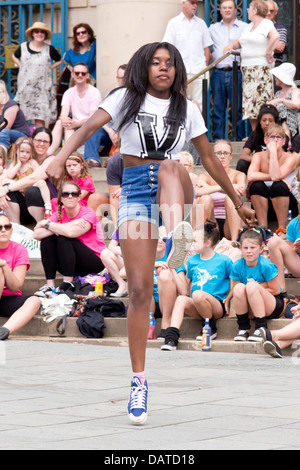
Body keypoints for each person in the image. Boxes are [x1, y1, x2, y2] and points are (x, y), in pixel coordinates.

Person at [44, 42, 254, 425]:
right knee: (140, 292)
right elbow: (89, 126)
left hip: (176, 187)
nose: (164, 69)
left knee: (173, 167)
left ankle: (176, 238)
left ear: (177, 70)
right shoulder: (126, 97)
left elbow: (207, 158)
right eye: (156, 63)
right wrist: (59, 156)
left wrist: (236, 198)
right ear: (144, 66)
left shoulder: (186, 109)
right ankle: (138, 381)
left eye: (170, 63)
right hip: (137, 188)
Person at [161, 219, 232, 351]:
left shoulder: (224, 260)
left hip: (215, 305)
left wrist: (229, 298)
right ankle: (171, 337)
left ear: (207, 243)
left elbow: (234, 280)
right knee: (181, 299)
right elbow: (185, 289)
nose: (191, 244)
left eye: (194, 241)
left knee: (198, 295)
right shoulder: (193, 261)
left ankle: (211, 326)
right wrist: (171, 268)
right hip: (197, 303)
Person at [33, 181, 105, 297]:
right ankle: (50, 286)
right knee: (47, 240)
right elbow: (37, 234)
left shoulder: (88, 213)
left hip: (94, 262)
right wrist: (47, 223)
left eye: (74, 194)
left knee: (63, 237)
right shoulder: (58, 214)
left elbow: (71, 233)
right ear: (61, 198)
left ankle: (67, 284)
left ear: (79, 197)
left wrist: (46, 224)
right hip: (70, 263)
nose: (70, 196)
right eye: (66, 194)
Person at [224, 0, 280, 130]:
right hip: (248, 70)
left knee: (261, 101)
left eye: (249, 9)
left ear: (255, 10)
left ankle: (266, 132)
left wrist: (268, 53)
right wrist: (231, 45)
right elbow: (240, 42)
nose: (247, 11)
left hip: (260, 70)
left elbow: (275, 36)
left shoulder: (266, 23)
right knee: (250, 103)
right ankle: (255, 134)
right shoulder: (249, 26)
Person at [229, 227, 284, 342]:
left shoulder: (266, 265)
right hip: (251, 303)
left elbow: (276, 290)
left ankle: (261, 327)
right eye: (245, 248)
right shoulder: (236, 266)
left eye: (253, 247)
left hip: (272, 304)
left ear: (261, 249)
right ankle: (243, 328)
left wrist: (256, 290)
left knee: (251, 286)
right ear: (240, 248)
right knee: (238, 288)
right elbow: (238, 291)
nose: (248, 251)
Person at [48, 62, 103, 166]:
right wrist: (66, 120)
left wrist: (74, 124)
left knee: (69, 125)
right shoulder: (69, 92)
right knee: (61, 123)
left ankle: (68, 155)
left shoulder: (94, 92)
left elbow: (93, 119)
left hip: (88, 127)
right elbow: (63, 114)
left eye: (83, 73)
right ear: (73, 75)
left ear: (87, 75)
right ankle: (49, 154)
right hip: (74, 127)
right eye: (77, 73)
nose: (80, 76)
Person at [0, 127, 58, 224]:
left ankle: (44, 224)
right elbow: (4, 177)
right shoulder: (23, 160)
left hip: (41, 203)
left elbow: (33, 178)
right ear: (32, 140)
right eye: (38, 140)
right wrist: (2, 190)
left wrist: (8, 187)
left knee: (31, 190)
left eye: (45, 141)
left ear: (49, 144)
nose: (41, 144)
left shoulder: (50, 159)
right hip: (24, 206)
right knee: (6, 187)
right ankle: (16, 227)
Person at [247, 124, 298, 232]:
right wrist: (280, 178)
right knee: (256, 185)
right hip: (263, 204)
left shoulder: (290, 158)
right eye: (272, 137)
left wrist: (273, 152)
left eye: (278, 137)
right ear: (265, 140)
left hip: (287, 205)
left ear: (284, 141)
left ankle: (282, 229)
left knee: (278, 186)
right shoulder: (258, 156)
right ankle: (263, 229)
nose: (275, 140)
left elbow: (276, 176)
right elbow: (251, 176)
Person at [162, 0, 213, 109]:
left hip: (200, 71)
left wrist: (204, 66)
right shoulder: (174, 23)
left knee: (200, 106)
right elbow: (167, 48)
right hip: (181, 73)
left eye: (196, 3)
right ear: (183, 3)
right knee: (180, 105)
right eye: (192, 2)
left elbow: (206, 48)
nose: (195, 6)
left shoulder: (201, 23)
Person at [209, 0, 247, 141]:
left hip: (236, 73)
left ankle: (238, 139)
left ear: (235, 9)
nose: (227, 10)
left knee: (238, 109)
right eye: (224, 8)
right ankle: (217, 140)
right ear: (220, 10)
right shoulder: (212, 28)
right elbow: (206, 47)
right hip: (218, 72)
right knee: (218, 109)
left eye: (230, 7)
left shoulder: (244, 27)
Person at [194, 140, 246, 240]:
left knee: (230, 199)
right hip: (211, 221)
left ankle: (235, 242)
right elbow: (197, 192)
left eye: (225, 153)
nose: (222, 156)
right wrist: (223, 187)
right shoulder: (205, 176)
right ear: (213, 156)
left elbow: (240, 191)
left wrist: (208, 188)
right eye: (218, 153)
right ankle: (201, 238)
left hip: (231, 223)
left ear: (231, 156)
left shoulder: (238, 175)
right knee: (205, 199)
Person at [12, 22, 61, 127]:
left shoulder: (49, 49)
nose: (39, 34)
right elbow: (14, 56)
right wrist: (21, 65)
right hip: (25, 89)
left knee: (40, 118)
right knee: (22, 117)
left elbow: (59, 60)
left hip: (42, 90)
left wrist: (50, 67)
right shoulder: (23, 47)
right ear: (33, 34)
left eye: (42, 32)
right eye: (37, 32)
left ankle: (40, 139)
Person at [0, 214, 41, 341]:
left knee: (35, 301)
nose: (3, 230)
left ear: (11, 230)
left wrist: (4, 265)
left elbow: (15, 287)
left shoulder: (19, 249)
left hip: (9, 299)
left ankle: (4, 330)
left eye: (7, 227)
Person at [151, 226, 187, 342]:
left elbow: (184, 292)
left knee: (165, 274)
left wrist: (170, 267)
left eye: (165, 239)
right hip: (149, 302)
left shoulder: (174, 259)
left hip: (168, 303)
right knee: (137, 276)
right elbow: (124, 272)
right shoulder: (145, 256)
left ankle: (165, 325)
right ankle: (145, 327)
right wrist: (153, 265)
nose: (160, 241)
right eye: (157, 237)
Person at [236, 103, 288, 175]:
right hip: (259, 165)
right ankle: (241, 184)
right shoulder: (255, 134)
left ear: (275, 122)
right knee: (242, 163)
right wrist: (259, 160)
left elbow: (280, 157)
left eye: (270, 120)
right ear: (260, 121)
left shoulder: (281, 136)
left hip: (275, 166)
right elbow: (243, 155)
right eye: (264, 120)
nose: (267, 123)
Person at [268, 62, 300, 152]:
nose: (275, 78)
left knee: (283, 109)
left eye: (277, 76)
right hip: (278, 123)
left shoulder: (295, 90)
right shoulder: (278, 93)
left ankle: (287, 140)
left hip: (294, 122)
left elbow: (297, 104)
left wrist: (280, 100)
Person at [268, 207, 300, 295]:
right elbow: (291, 250)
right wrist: (296, 249)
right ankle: (281, 290)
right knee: (274, 241)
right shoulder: (294, 223)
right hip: (298, 264)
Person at [87, 151, 123, 228]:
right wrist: (117, 228)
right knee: (95, 198)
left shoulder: (147, 158)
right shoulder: (116, 161)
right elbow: (114, 197)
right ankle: (93, 235)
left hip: (141, 197)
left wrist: (127, 189)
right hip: (121, 199)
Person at [0, 81, 31, 160]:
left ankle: (2, 157)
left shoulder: (11, 105)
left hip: (21, 135)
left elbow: (6, 126)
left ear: (5, 94)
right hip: (6, 134)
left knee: (4, 132)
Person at [100, 229, 127, 298]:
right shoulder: (123, 226)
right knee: (105, 253)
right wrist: (127, 253)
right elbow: (111, 246)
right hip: (127, 261)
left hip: (142, 263)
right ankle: (122, 284)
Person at [265, 1, 287, 67]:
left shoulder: (281, 28)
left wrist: (260, 44)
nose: (268, 13)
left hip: (275, 64)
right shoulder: (256, 27)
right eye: (266, 10)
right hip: (259, 63)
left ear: (276, 12)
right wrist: (273, 43)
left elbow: (280, 48)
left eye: (271, 11)